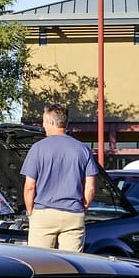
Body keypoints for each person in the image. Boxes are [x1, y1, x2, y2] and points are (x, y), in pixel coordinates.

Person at [21, 103, 99, 252]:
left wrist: (31, 212)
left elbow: (30, 186)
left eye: (44, 122)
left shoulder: (38, 148)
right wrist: (84, 207)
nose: (43, 126)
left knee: (39, 262)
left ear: (51, 122)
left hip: (44, 212)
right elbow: (90, 188)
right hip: (73, 213)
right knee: (72, 263)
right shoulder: (83, 149)